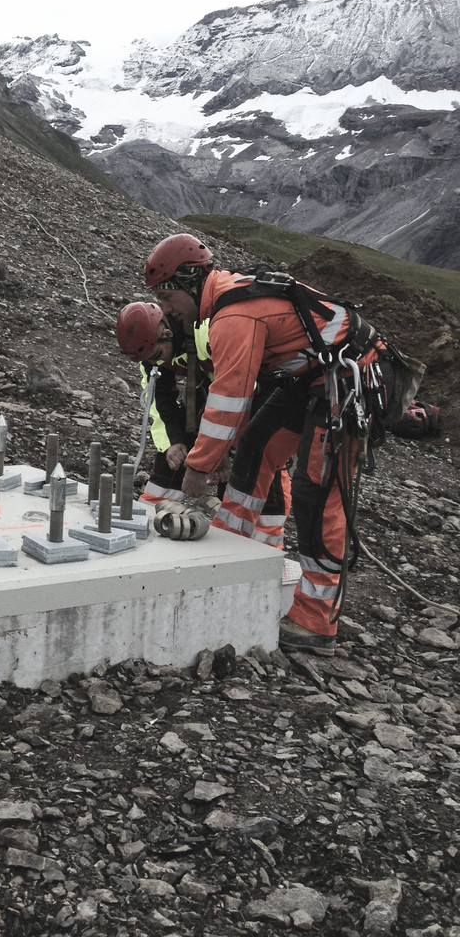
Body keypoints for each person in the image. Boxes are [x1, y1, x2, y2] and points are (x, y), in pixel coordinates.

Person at [143, 233, 386, 657]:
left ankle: (316, 618)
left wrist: (198, 469)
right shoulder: (226, 304)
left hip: (347, 380)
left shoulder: (234, 316)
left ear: (190, 281)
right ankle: (226, 555)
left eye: (166, 297)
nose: (166, 310)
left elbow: (229, 398)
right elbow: (239, 407)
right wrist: (216, 455)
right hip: (311, 377)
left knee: (316, 491)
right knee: (256, 446)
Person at [116, 301, 291, 543]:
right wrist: (173, 443)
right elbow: (159, 401)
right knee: (178, 449)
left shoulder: (208, 333)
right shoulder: (151, 350)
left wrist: (218, 451)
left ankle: (265, 546)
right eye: (148, 360)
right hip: (218, 394)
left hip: (266, 392)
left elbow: (238, 394)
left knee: (258, 458)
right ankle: (155, 513)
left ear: (167, 334)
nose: (155, 363)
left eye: (156, 356)